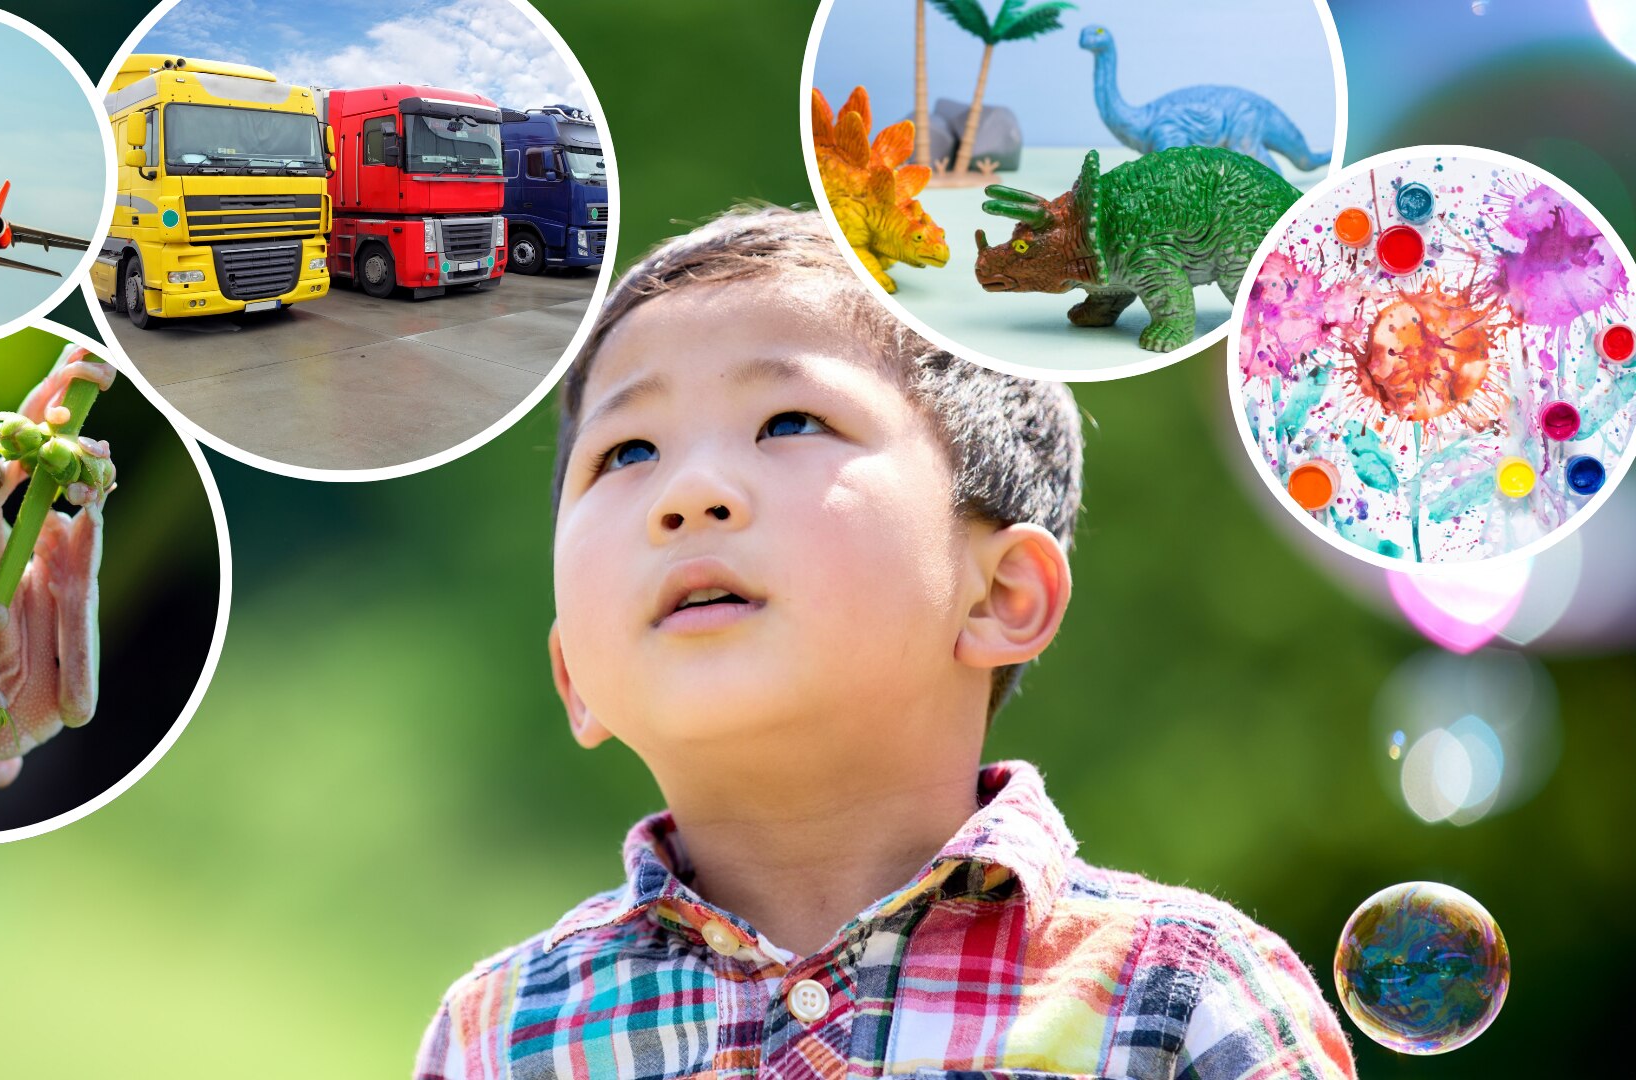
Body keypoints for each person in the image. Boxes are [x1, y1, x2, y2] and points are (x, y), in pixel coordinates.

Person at [415, 207, 1354, 1079]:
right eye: (626, 452)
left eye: (789, 421)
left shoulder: (1178, 996)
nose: (689, 492)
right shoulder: (502, 1033)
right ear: (574, 676)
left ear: (1000, 596)